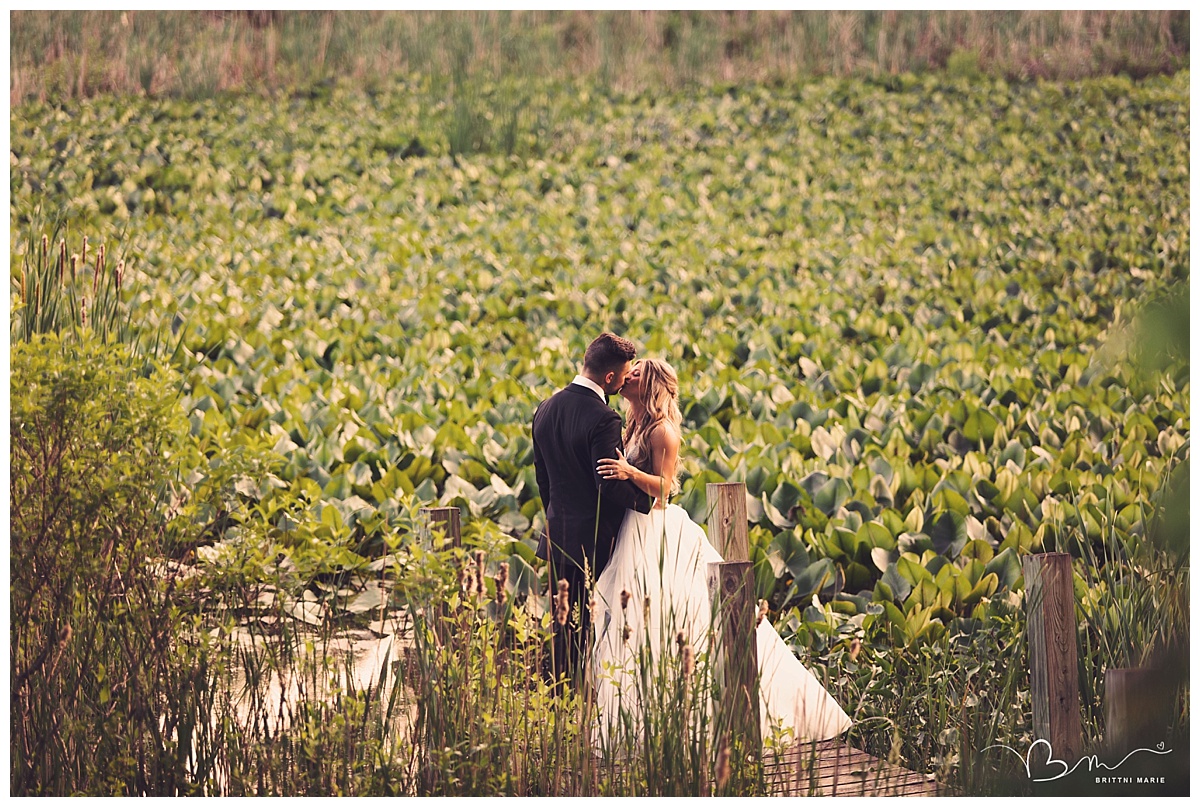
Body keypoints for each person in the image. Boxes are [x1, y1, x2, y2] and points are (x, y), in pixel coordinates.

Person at [593, 358, 852, 746]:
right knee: (636, 623)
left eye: (637, 372)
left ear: (651, 385)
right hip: (634, 527)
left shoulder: (664, 431)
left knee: (669, 616)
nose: (627, 376)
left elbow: (665, 488)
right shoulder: (633, 422)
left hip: (658, 529)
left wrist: (629, 473)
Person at [532, 333, 654, 686]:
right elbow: (608, 483)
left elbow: (544, 480)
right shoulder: (604, 418)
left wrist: (558, 519)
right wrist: (653, 503)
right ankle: (580, 701)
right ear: (611, 378)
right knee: (591, 626)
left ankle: (559, 702)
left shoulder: (546, 408)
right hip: (594, 542)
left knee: (562, 625)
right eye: (625, 374)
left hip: (558, 536)